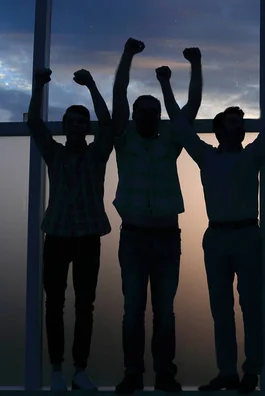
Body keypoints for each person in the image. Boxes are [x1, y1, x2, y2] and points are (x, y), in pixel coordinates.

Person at [162, 62, 265, 394]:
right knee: (221, 309)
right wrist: (166, 83)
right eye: (233, 122)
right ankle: (227, 372)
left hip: (248, 235)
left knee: (251, 306)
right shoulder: (208, 157)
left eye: (240, 122)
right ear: (219, 130)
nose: (240, 126)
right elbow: (180, 125)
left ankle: (251, 371)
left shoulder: (251, 156)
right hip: (218, 236)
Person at [111, 38, 203, 394]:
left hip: (166, 236)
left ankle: (164, 373)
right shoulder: (125, 139)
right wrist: (128, 56)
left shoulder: (170, 140)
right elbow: (119, 92)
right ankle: (134, 373)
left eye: (153, 111)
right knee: (133, 309)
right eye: (142, 111)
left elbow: (192, 104)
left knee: (164, 311)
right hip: (134, 235)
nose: (148, 116)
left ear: (158, 115)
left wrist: (194, 66)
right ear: (135, 115)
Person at [27, 68, 113, 392]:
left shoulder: (97, 155)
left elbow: (107, 124)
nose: (76, 127)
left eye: (81, 122)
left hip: (88, 237)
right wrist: (38, 85)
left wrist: (92, 84)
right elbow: (34, 123)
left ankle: (80, 370)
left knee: (84, 304)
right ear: (64, 128)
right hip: (58, 236)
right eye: (71, 122)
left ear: (86, 129)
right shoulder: (55, 154)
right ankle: (58, 370)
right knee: (54, 304)